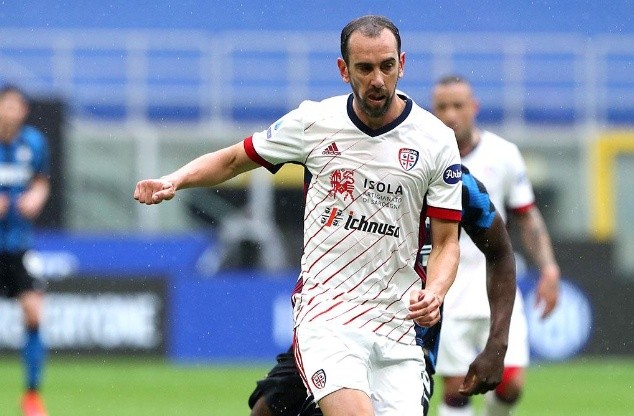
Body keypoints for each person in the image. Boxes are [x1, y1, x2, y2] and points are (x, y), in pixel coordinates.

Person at [135, 15, 463, 416]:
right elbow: (235, 159)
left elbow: (448, 241)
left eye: (386, 66)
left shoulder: (436, 141)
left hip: (398, 326)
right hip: (328, 317)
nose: (377, 79)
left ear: (402, 64)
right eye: (364, 68)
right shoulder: (314, 122)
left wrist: (437, 292)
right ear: (344, 70)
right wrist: (176, 179)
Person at [248, 165, 518, 416]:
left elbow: (501, 252)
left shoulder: (456, 184)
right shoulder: (353, 163)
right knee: (266, 409)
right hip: (333, 331)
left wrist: (497, 346)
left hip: (407, 347)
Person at [431, 75, 561, 416]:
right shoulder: (426, 157)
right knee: (457, 389)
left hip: (497, 279)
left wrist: (548, 267)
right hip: (448, 283)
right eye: (442, 106)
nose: (450, 115)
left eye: (457, 105)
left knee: (510, 385)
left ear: (474, 108)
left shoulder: (504, 154)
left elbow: (527, 217)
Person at [0, 84, 51, 416]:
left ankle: (32, 395)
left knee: (34, 313)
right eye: (6, 106)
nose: (11, 112)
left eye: (17, 107)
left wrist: (36, 195)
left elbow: (41, 181)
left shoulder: (33, 143)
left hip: (19, 246)